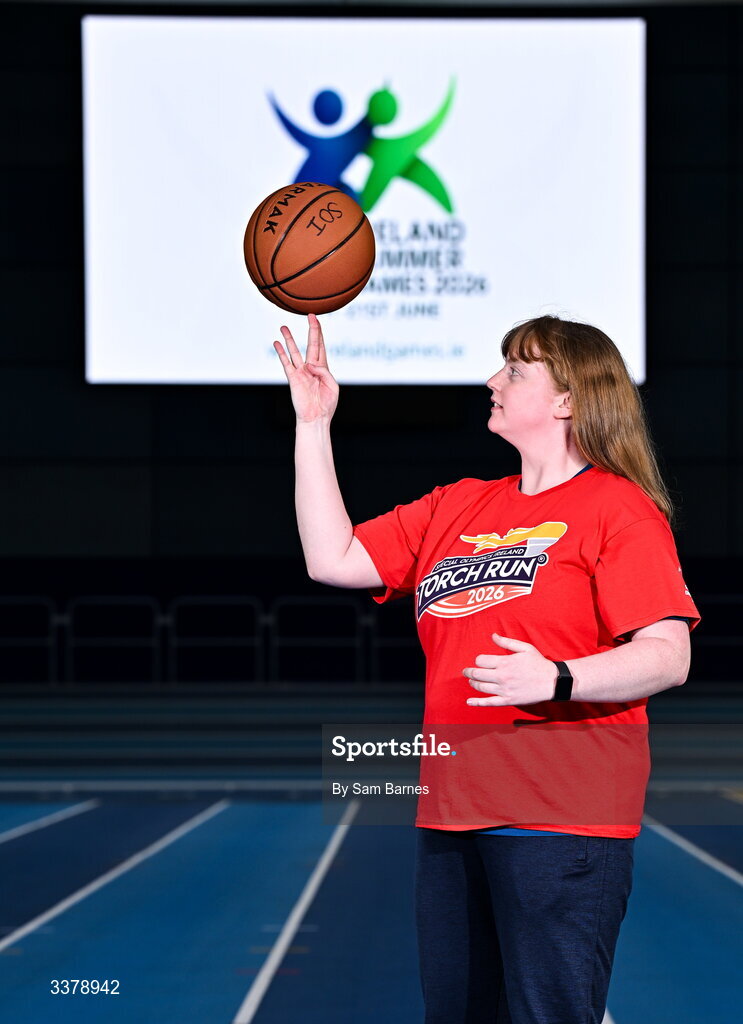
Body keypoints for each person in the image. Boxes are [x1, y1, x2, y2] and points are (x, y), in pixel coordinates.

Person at [273, 313, 700, 1024]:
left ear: (567, 399)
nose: (490, 380)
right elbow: (332, 558)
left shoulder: (616, 510)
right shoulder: (460, 503)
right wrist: (313, 424)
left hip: (562, 822)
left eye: (514, 370)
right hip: (451, 814)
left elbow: (668, 655)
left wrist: (559, 677)